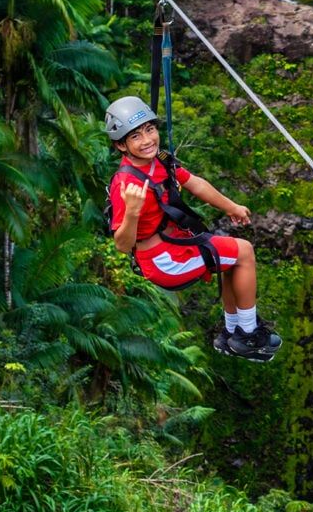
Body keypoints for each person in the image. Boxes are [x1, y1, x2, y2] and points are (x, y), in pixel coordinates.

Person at [104, 95, 282, 362]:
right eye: (136, 137)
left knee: (232, 258)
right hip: (163, 261)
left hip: (174, 245)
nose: (147, 140)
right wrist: (131, 211)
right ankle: (247, 333)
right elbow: (121, 245)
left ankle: (232, 333)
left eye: (150, 130)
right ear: (121, 145)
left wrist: (230, 206)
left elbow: (194, 183)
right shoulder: (125, 184)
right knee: (243, 252)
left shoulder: (160, 161)